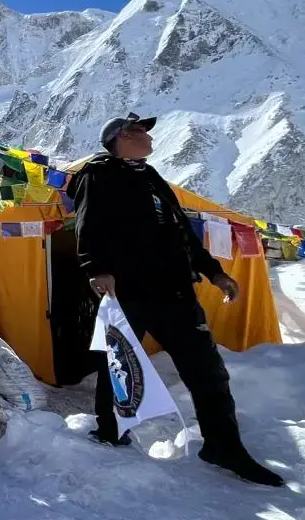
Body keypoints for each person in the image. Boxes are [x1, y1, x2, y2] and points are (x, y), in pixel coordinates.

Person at [67, 112, 285, 487]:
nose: (149, 137)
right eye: (140, 131)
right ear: (120, 138)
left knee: (208, 370)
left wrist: (214, 272)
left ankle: (223, 446)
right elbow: (88, 228)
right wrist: (95, 269)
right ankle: (110, 431)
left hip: (175, 292)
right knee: (119, 363)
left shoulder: (152, 178)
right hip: (129, 291)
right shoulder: (96, 175)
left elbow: (181, 231)